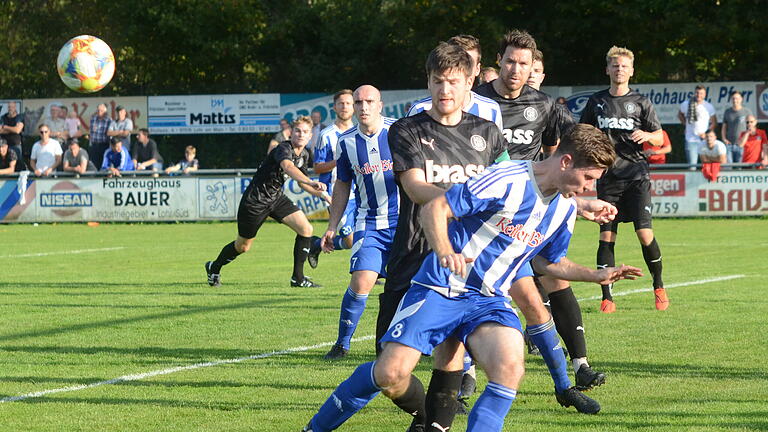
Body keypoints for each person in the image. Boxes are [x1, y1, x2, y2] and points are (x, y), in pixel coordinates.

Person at [303, 125, 642, 432]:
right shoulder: (507, 178)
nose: (591, 187)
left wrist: (596, 275)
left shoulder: (566, 209)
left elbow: (549, 263)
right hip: (441, 288)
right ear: (566, 161)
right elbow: (435, 208)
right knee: (390, 374)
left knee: (510, 366)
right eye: (589, 177)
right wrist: (446, 250)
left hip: (490, 301)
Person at [374, 42, 510, 432]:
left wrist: (574, 204)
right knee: (390, 371)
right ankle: (425, 415)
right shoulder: (407, 130)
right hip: (414, 253)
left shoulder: (488, 134)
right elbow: (416, 188)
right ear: (428, 81)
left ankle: (433, 426)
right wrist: (461, 202)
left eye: (453, 81)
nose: (445, 89)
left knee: (448, 355)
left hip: (465, 262)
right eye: (438, 81)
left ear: (470, 82)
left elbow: (513, 187)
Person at [476, 31, 611, 406]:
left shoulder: (544, 106)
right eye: (510, 61)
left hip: (521, 216)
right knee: (469, 305)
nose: (516, 70)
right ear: (498, 60)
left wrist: (574, 202)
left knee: (538, 297)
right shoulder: (476, 102)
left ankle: (565, 384)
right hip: (476, 218)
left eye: (524, 63)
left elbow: (557, 158)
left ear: (533, 66)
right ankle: (460, 384)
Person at [580, 45, 669, 313]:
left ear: (631, 71)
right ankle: (607, 296)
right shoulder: (596, 101)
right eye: (615, 66)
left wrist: (648, 136)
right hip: (608, 178)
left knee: (645, 234)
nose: (620, 70)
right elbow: (584, 134)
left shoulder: (641, 102)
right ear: (607, 69)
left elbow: (660, 137)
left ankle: (659, 285)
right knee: (606, 237)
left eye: (624, 66)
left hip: (636, 176)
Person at [319, 85, 399, 360]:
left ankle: (409, 342)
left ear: (380, 104)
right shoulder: (347, 142)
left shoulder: (399, 132)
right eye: (358, 102)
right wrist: (332, 225)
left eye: (369, 101)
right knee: (362, 281)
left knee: (410, 286)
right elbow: (342, 184)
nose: (363, 107)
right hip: (370, 222)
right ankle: (342, 344)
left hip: (406, 223)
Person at [204, 116, 329, 288]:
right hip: (255, 201)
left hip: (276, 198)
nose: (301, 134)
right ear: (291, 132)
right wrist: (310, 181)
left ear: (310, 136)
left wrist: (325, 196)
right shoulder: (283, 148)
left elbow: (301, 182)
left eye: (305, 132)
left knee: (306, 229)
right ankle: (214, 267)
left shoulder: (305, 154)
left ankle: (298, 279)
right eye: (297, 130)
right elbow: (288, 167)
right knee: (243, 246)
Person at [407, 34, 504, 133]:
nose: (461, 68)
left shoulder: (490, 110)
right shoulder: (419, 109)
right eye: (455, 61)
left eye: (468, 63)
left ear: (477, 69)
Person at [307, 89, 356, 270]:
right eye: (341, 103)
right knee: (350, 241)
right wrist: (339, 162)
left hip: (360, 193)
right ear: (334, 107)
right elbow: (317, 167)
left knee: (364, 235)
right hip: (336, 195)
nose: (345, 107)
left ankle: (367, 272)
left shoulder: (359, 133)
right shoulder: (326, 135)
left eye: (349, 103)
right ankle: (316, 245)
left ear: (354, 107)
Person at [678, 85, 716, 168]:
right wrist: (686, 124)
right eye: (697, 93)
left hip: (705, 140)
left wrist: (706, 134)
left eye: (701, 93)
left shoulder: (708, 106)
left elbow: (713, 122)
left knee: (707, 166)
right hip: (690, 139)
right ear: (694, 93)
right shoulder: (686, 104)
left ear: (705, 95)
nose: (699, 95)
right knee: (692, 166)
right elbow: (680, 115)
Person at [721, 91, 752, 164]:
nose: (735, 100)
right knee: (729, 168)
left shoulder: (747, 111)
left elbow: (751, 127)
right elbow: (724, 127)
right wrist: (724, 139)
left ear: (741, 99)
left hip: (742, 145)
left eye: (737, 98)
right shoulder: (727, 111)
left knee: (740, 168)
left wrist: (744, 141)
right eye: (733, 98)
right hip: (729, 145)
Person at [1, 101, 25, 170]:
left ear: (15, 107)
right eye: (9, 107)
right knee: (4, 163)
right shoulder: (3, 117)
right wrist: (13, 129)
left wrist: (5, 127)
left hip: (15, 145)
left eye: (12, 107)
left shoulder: (19, 117)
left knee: (18, 163)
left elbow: (17, 130)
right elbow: (0, 131)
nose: (10, 108)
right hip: (4, 145)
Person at [89, 103, 112, 169]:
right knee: (94, 164)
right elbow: (91, 131)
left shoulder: (109, 120)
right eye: (98, 110)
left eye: (101, 110)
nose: (99, 112)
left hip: (104, 145)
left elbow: (110, 133)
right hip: (94, 145)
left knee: (103, 163)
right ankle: (95, 178)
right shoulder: (93, 119)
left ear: (105, 111)